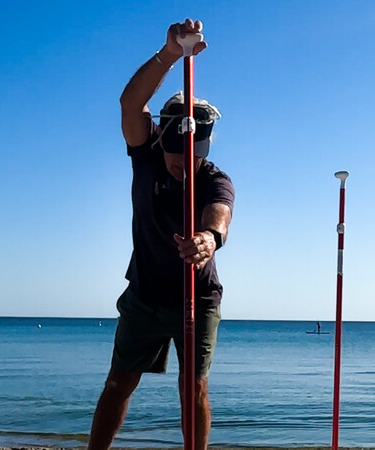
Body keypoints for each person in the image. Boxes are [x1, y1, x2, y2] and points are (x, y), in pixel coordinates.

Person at [87, 19, 234, 450]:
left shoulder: (215, 179)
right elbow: (130, 103)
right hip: (145, 294)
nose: (183, 165)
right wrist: (170, 53)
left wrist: (209, 239)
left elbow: (220, 214)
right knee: (118, 383)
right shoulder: (146, 155)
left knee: (194, 388)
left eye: (193, 157)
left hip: (197, 296)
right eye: (176, 156)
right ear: (161, 140)